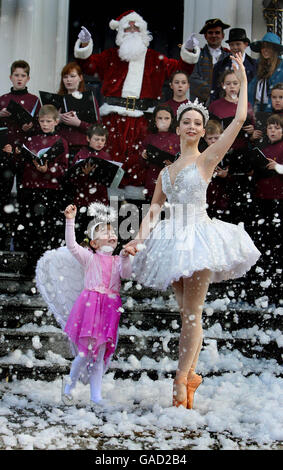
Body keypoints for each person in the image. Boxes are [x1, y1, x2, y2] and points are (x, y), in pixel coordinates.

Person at [124, 53, 260, 410]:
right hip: (170, 240)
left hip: (198, 237)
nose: (191, 126)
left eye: (197, 122)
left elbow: (241, 118)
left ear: (202, 130)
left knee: (192, 314)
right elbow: (154, 208)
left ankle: (181, 379)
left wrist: (243, 77)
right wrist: (139, 239)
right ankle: (191, 376)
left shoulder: (206, 159)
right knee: (184, 312)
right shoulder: (166, 171)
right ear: (178, 127)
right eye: (186, 120)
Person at [74, 10, 200, 194]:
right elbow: (87, 65)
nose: (132, 30)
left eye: (136, 27)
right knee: (111, 156)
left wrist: (188, 51)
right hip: (113, 118)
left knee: (138, 159)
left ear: (143, 32)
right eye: (128, 27)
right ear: (120, 32)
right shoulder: (110, 57)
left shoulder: (154, 59)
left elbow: (179, 69)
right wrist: (85, 45)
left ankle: (135, 200)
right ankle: (109, 197)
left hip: (143, 119)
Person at [36, 202, 132, 408]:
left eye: (113, 231)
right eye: (105, 232)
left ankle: (95, 395)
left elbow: (126, 275)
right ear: (95, 243)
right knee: (84, 353)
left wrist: (125, 258)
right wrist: (70, 221)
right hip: (90, 308)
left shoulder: (117, 260)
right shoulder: (89, 258)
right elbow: (71, 245)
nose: (111, 234)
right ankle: (69, 386)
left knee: (100, 354)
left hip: (109, 309)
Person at [13, 104, 69, 270]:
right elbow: (23, 163)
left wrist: (48, 169)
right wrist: (18, 155)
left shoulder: (61, 141)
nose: (45, 124)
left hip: (49, 190)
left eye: (48, 121)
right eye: (42, 121)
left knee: (46, 228)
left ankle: (47, 266)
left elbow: (64, 168)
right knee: (30, 227)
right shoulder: (31, 140)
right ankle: (30, 266)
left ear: (56, 122)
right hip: (30, 188)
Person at [209, 68, 255, 226]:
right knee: (220, 203)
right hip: (221, 154)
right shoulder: (215, 106)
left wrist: (251, 131)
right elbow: (210, 130)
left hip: (240, 157)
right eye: (228, 83)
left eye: (235, 83)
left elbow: (254, 132)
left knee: (238, 204)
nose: (232, 87)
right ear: (222, 85)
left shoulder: (246, 105)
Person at [250, 114, 283, 286]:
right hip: (262, 197)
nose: (273, 131)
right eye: (270, 127)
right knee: (264, 238)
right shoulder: (262, 146)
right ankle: (264, 276)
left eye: (277, 128)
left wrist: (278, 167)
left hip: (280, 199)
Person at [66, 124, 111, 240]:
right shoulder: (81, 154)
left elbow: (109, 180)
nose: (100, 143)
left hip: (101, 200)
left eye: (102, 140)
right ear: (88, 139)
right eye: (96, 139)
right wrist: (83, 174)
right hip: (83, 199)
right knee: (82, 232)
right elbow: (72, 178)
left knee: (98, 232)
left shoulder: (106, 156)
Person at [57, 61, 100, 163]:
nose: (68, 80)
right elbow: (45, 125)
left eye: (72, 76)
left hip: (82, 150)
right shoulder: (57, 99)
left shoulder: (89, 100)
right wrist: (57, 119)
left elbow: (97, 129)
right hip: (60, 149)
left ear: (80, 78)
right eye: (65, 77)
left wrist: (79, 123)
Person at [141, 105, 180, 201]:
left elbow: (183, 161)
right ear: (154, 120)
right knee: (152, 214)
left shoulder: (178, 139)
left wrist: (174, 165)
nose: (163, 121)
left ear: (172, 120)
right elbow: (142, 165)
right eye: (160, 118)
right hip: (152, 183)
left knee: (169, 214)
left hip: (171, 184)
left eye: (167, 118)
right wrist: (143, 156)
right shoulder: (149, 138)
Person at [189, 18, 230, 105]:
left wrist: (222, 95)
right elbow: (193, 78)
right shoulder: (196, 55)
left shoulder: (229, 57)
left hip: (224, 103)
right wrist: (212, 92)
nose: (214, 35)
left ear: (223, 35)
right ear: (205, 36)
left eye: (217, 32)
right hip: (200, 103)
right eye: (210, 33)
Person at [0, 60, 41, 146]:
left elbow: (40, 125)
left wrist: (31, 127)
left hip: (26, 145)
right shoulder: (3, 99)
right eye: (16, 75)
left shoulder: (34, 100)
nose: (19, 78)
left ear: (28, 78)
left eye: (23, 75)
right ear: (10, 77)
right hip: (5, 146)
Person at [211, 28, 257, 101]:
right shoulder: (220, 65)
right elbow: (215, 90)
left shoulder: (254, 65)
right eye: (232, 45)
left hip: (247, 105)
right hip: (225, 106)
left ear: (246, 44)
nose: (235, 47)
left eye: (238, 44)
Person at [203, 120, 231, 221]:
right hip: (207, 196)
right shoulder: (201, 154)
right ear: (205, 138)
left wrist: (226, 174)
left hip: (222, 195)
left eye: (216, 138)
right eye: (210, 138)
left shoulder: (227, 153)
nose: (213, 141)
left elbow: (234, 173)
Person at [248, 32, 283, 113]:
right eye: (263, 47)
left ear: (275, 49)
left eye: (269, 47)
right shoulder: (257, 66)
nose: (265, 50)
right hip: (256, 109)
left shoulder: (281, 67)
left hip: (276, 111)